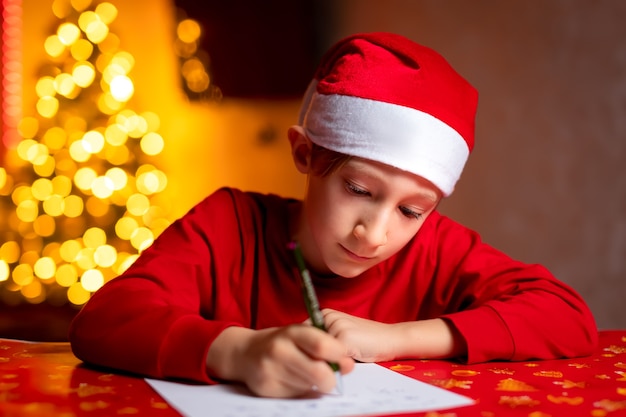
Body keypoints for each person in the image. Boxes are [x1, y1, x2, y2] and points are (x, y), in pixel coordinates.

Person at [69, 32, 598, 398]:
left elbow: (567, 316)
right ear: (305, 155)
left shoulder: (435, 247)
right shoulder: (227, 225)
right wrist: (239, 352)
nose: (376, 232)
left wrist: (397, 339)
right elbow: (104, 320)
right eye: (359, 189)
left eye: (412, 209)